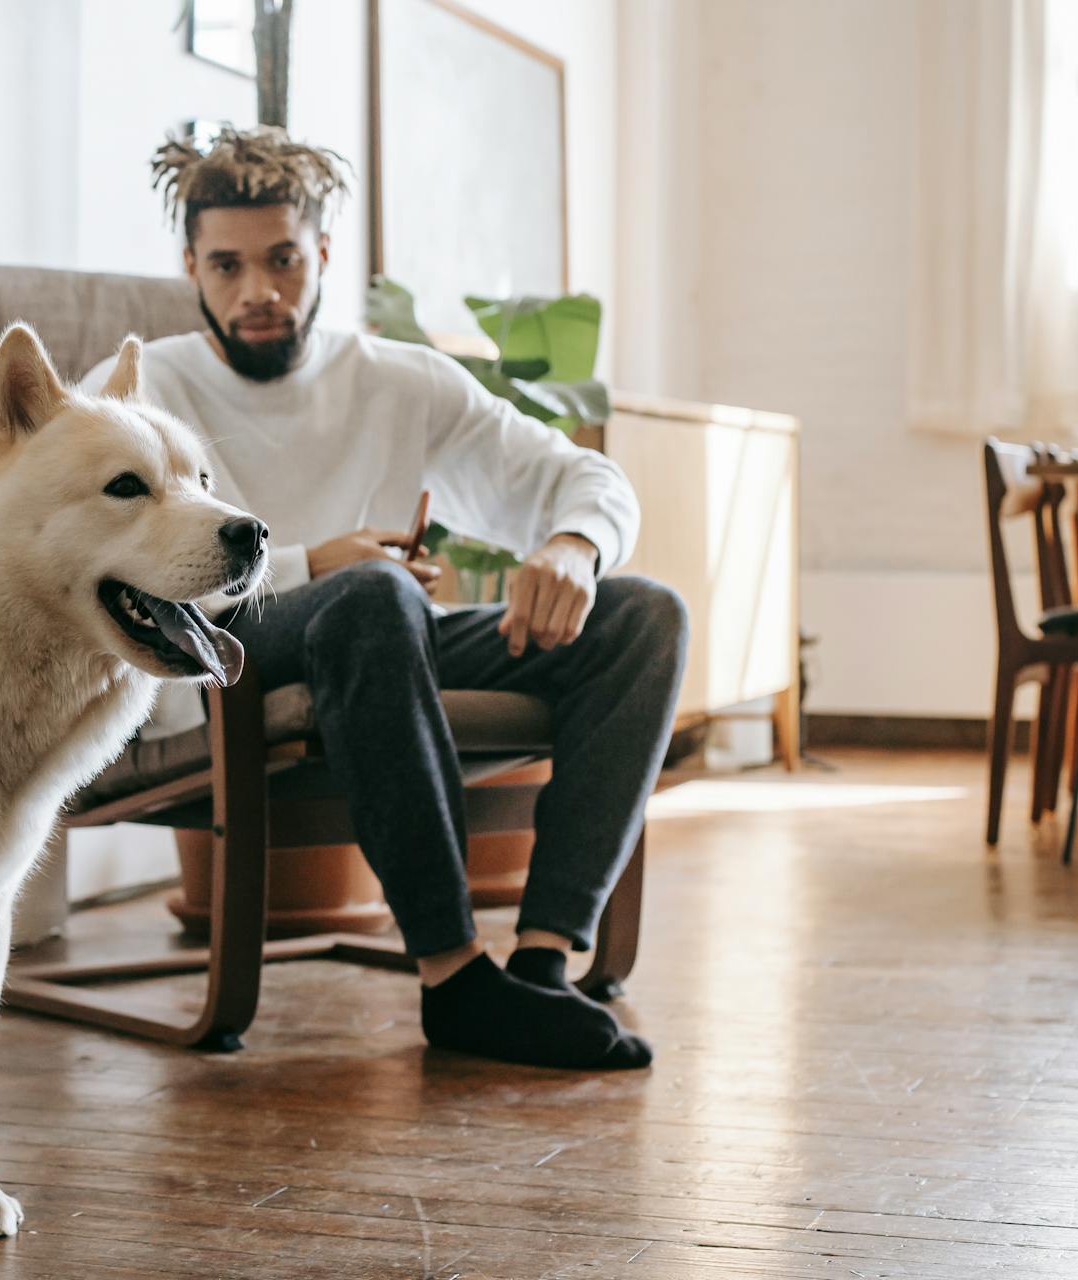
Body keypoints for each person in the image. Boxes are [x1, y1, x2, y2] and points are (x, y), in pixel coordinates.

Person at [85, 126, 687, 1071]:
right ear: (191, 266)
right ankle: (454, 977)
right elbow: (101, 564)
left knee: (644, 618)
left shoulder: (397, 379)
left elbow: (578, 475)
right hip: (228, 653)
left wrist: (575, 542)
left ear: (321, 254)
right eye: (228, 265)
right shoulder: (143, 385)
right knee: (371, 595)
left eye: (283, 260)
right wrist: (311, 566)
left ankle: (539, 968)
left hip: (387, 639)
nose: (258, 293)